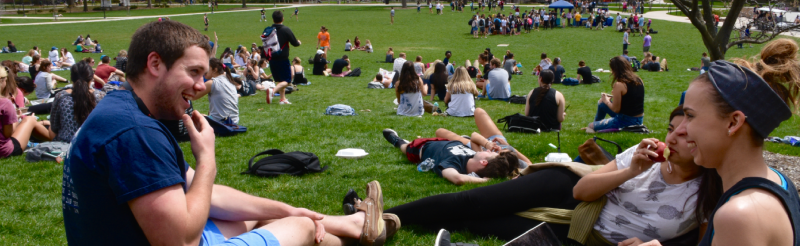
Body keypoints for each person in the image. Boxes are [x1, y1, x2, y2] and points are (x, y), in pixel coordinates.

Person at [61, 20, 399, 246]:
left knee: (265, 216)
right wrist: (207, 158)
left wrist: (286, 209)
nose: (200, 86)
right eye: (193, 72)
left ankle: (357, 226)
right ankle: (352, 230)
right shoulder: (136, 133)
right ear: (154, 64)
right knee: (304, 231)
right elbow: (181, 241)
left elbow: (206, 194)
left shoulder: (120, 108)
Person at [374, 106, 719, 245]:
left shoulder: (706, 194)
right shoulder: (644, 155)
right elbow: (585, 190)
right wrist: (632, 169)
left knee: (480, 224)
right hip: (566, 190)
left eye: (686, 134)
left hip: (581, 236)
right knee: (473, 200)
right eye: (673, 129)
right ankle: (378, 218)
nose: (673, 137)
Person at [632, 38, 800, 246]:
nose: (681, 130)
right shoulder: (778, 182)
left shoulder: (740, 216)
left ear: (733, 122)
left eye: (690, 116)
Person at [381, 127, 519, 186]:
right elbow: (474, 137)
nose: (488, 151)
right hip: (448, 143)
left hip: (422, 148)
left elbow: (457, 178)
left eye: (489, 154)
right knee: (455, 136)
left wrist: (485, 181)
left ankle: (397, 141)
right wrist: (488, 145)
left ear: (483, 162)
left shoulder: (454, 164)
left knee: (406, 148)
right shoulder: (475, 155)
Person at [0, 67, 53, 158]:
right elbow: (8, 133)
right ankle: (55, 138)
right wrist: (16, 119)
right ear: (2, 81)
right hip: (4, 150)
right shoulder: (4, 103)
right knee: (30, 119)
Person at [49, 61, 106, 143]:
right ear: (91, 78)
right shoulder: (101, 96)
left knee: (51, 128)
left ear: (71, 77)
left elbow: (54, 127)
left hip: (66, 144)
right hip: (93, 144)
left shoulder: (61, 96)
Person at [584, 56, 644, 133]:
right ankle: (597, 124)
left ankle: (595, 126)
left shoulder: (619, 84)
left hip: (625, 121)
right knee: (601, 103)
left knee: (590, 127)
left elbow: (616, 109)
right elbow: (632, 99)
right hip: (638, 119)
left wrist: (606, 100)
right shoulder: (639, 80)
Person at [266, 11, 301, 105]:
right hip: (282, 58)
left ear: (273, 19)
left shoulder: (269, 30)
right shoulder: (286, 29)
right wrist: (299, 42)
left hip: (271, 58)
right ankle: (272, 91)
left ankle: (282, 99)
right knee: (287, 80)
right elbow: (294, 43)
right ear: (283, 19)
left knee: (280, 80)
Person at [194, 58, 239, 124]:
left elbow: (193, 96)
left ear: (215, 70)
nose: (204, 71)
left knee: (192, 116)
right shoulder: (229, 80)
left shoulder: (213, 83)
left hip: (222, 123)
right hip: (234, 121)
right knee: (203, 115)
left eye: (206, 68)